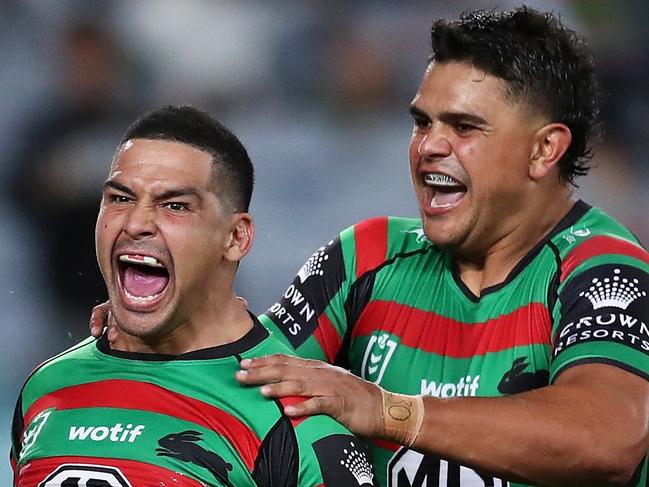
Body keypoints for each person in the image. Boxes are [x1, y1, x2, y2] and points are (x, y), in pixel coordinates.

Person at [90, 7, 649, 486]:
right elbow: (253, 378)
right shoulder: (367, 256)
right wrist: (169, 328)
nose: (429, 146)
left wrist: (388, 413)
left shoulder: (599, 265)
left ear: (544, 149)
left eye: (464, 127)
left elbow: (608, 438)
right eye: (422, 122)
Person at [12, 105, 377, 487]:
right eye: (120, 199)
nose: (136, 223)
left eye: (174, 206)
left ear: (236, 237)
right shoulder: (45, 388)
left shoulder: (294, 421)